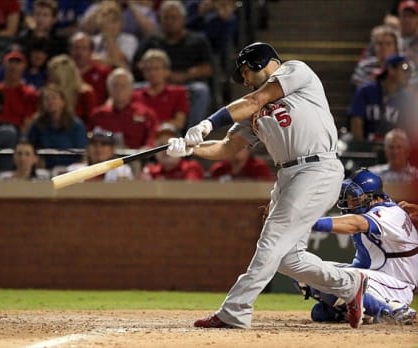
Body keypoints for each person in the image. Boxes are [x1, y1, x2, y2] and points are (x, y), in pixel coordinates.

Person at [166, 41, 369, 329]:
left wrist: (207, 123)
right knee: (287, 258)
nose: (245, 80)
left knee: (271, 241)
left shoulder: (296, 71)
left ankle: (235, 310)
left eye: (246, 72)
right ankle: (350, 285)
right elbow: (227, 147)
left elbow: (252, 101)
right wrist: (190, 148)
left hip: (318, 167)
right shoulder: (254, 110)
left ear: (261, 63)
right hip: (287, 175)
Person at [303, 169, 417, 325]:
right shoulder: (374, 213)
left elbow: (355, 223)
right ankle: (361, 310)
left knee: (334, 279)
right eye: (348, 198)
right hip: (379, 280)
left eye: (354, 198)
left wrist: (305, 221)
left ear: (374, 198)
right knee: (308, 270)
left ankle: (394, 310)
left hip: (398, 286)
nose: (349, 203)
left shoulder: (389, 212)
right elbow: (362, 263)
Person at [133, 0, 213, 130]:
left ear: (183, 19)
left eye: (174, 17)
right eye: (166, 18)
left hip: (185, 83)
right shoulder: (152, 40)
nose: (169, 21)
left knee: (201, 90)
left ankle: (193, 133)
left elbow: (207, 69)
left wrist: (183, 76)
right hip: (154, 81)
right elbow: (137, 64)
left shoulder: (197, 40)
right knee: (131, 88)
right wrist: (155, 71)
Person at [348, 54, 415, 143]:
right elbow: (356, 122)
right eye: (404, 69)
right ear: (391, 69)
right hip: (367, 147)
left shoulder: (407, 99)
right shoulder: (365, 92)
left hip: (394, 150)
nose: (408, 74)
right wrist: (361, 148)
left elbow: (410, 130)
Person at [89, 67, 158, 149]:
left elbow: (152, 139)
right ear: (108, 88)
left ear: (132, 88)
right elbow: (89, 141)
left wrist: (146, 149)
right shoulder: (98, 115)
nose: (119, 89)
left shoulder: (146, 114)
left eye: (123, 85)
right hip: (106, 159)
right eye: (115, 85)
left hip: (136, 159)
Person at [27, 84, 87, 168]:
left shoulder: (76, 125)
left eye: (54, 98)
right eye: (47, 99)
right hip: (45, 169)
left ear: (63, 101)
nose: (50, 101)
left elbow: (81, 152)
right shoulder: (37, 125)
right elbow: (30, 147)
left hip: (71, 169)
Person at [134, 48, 189, 133]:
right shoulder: (136, 95)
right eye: (148, 70)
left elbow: (179, 123)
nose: (152, 73)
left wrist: (154, 126)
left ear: (166, 71)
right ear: (143, 73)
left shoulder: (178, 92)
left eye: (156, 69)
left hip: (166, 136)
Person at [0, 49, 40, 134]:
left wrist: (23, 139)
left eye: (18, 63)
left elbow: (28, 121)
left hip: (18, 134)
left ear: (24, 66)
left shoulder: (30, 94)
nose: (13, 66)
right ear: (4, 64)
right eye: (10, 62)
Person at [47, 54, 96, 130]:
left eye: (53, 78)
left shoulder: (85, 94)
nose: (50, 81)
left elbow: (91, 123)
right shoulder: (51, 95)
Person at [140, 123, 204, 181]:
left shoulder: (191, 168)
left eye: (170, 144)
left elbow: (191, 191)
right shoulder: (149, 171)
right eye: (161, 145)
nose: (166, 150)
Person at [64, 129, 134, 182]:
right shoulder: (73, 170)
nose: (98, 149)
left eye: (104, 144)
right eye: (94, 145)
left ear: (112, 149)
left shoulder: (123, 171)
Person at [87, 1, 139, 70]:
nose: (110, 26)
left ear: (121, 23)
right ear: (100, 23)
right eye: (106, 21)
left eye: (114, 21)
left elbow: (122, 65)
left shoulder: (130, 40)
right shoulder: (93, 40)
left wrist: (109, 38)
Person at [69, 31, 114, 107]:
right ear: (70, 50)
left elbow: (113, 97)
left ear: (91, 52)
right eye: (76, 48)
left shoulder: (104, 72)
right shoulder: (63, 73)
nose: (79, 52)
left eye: (84, 48)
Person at [351, 25, 401, 90]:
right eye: (380, 44)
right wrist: (373, 81)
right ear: (374, 47)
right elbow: (358, 86)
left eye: (388, 44)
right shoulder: (364, 66)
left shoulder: (404, 65)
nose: (384, 47)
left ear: (396, 47)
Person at [209, 146, 274, 182]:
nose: (236, 150)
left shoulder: (259, 168)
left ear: (248, 150)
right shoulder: (219, 169)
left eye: (241, 147)